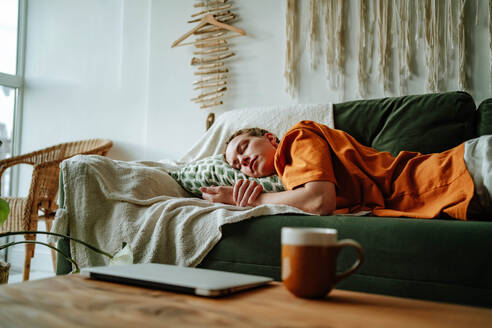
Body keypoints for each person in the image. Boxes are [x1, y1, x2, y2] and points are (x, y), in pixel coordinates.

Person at [200, 120, 492, 220]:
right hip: (458, 191)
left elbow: (318, 201)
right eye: (238, 165)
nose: (244, 162)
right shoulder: (290, 182)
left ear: (270, 139)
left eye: (243, 149)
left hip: (464, 169)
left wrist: (255, 198)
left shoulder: (296, 138)